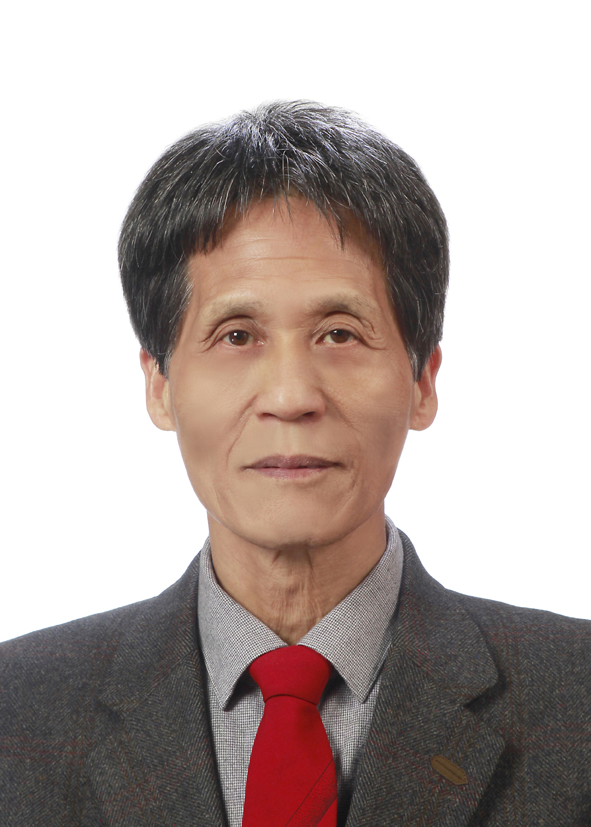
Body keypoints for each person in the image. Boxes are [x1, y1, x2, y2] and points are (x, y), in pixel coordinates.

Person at [1, 101, 589, 827]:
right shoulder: (16, 711)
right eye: (236, 334)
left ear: (422, 382)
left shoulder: (576, 699)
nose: (290, 396)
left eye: (339, 334)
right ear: (159, 385)